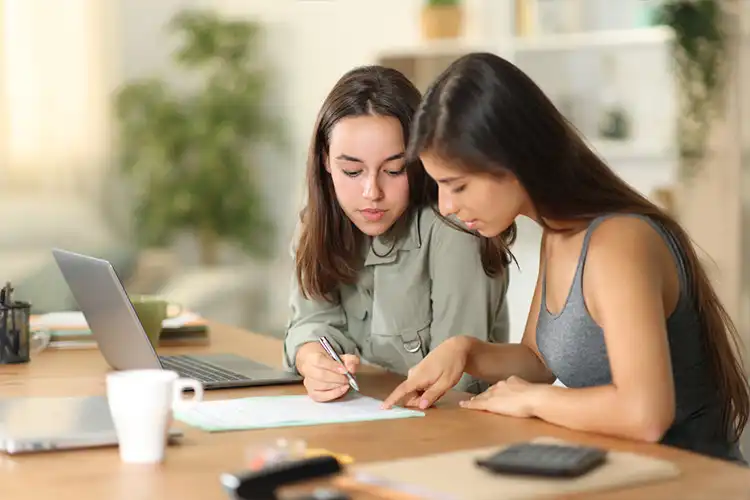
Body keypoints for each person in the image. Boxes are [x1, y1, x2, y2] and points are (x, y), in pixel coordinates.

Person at [382, 52, 750, 464]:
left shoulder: (617, 243)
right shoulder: (559, 233)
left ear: (512, 161)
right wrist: (465, 351)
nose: (446, 205)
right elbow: (540, 359)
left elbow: (645, 414)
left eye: (458, 185)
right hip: (622, 475)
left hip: (694, 483)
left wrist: (533, 401)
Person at [284, 65, 511, 403]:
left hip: (446, 428)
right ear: (325, 162)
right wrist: (312, 360)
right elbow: (311, 322)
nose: (371, 191)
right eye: (351, 170)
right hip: (363, 418)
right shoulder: (317, 223)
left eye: (394, 169)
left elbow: (458, 385)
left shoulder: (456, 228)